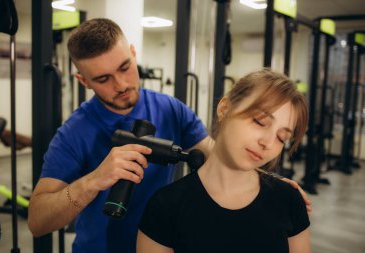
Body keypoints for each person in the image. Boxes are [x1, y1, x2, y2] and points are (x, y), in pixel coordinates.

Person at [27, 18, 310, 253]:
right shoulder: (73, 134)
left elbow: (221, 155)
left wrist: (272, 183)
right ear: (83, 81)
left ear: (134, 54)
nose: (122, 84)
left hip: (168, 241)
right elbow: (37, 221)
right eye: (103, 79)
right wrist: (94, 180)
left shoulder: (171, 109)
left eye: (125, 67)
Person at [137, 69, 311, 253]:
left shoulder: (289, 200)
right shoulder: (165, 206)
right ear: (224, 109)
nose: (267, 143)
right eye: (260, 121)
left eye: (281, 137)